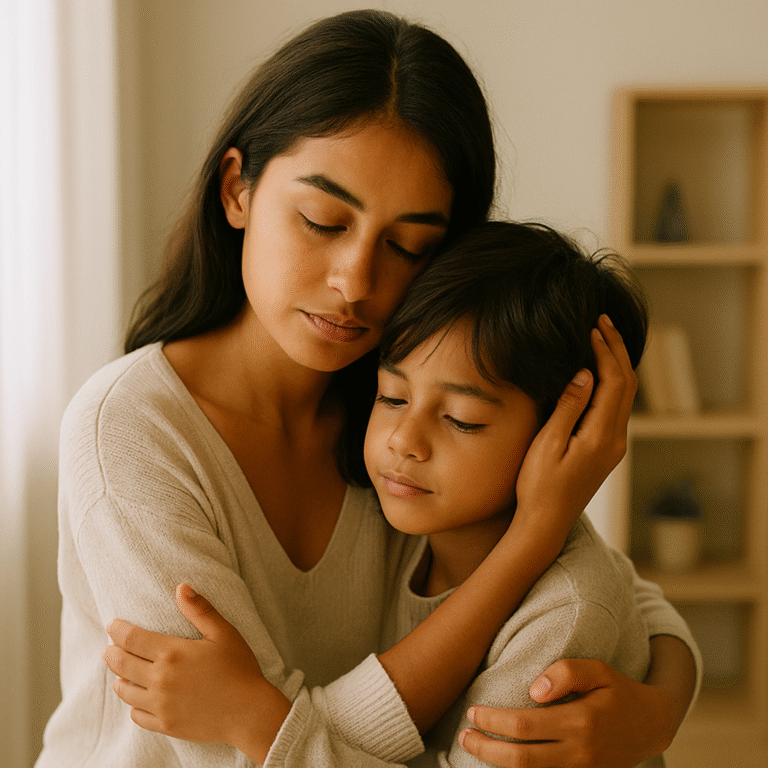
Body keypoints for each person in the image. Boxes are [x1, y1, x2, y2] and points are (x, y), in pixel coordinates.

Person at [38, 9, 697, 768]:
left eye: (409, 246)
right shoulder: (130, 431)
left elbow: (616, 595)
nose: (356, 282)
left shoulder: (398, 406)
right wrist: (529, 542)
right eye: (322, 220)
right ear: (237, 190)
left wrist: (657, 711)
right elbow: (233, 743)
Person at [101, 222, 701, 768]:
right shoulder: (412, 520)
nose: (404, 441)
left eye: (462, 419)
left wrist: (258, 723)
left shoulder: (562, 617)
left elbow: (617, 597)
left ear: (568, 437)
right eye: (390, 397)